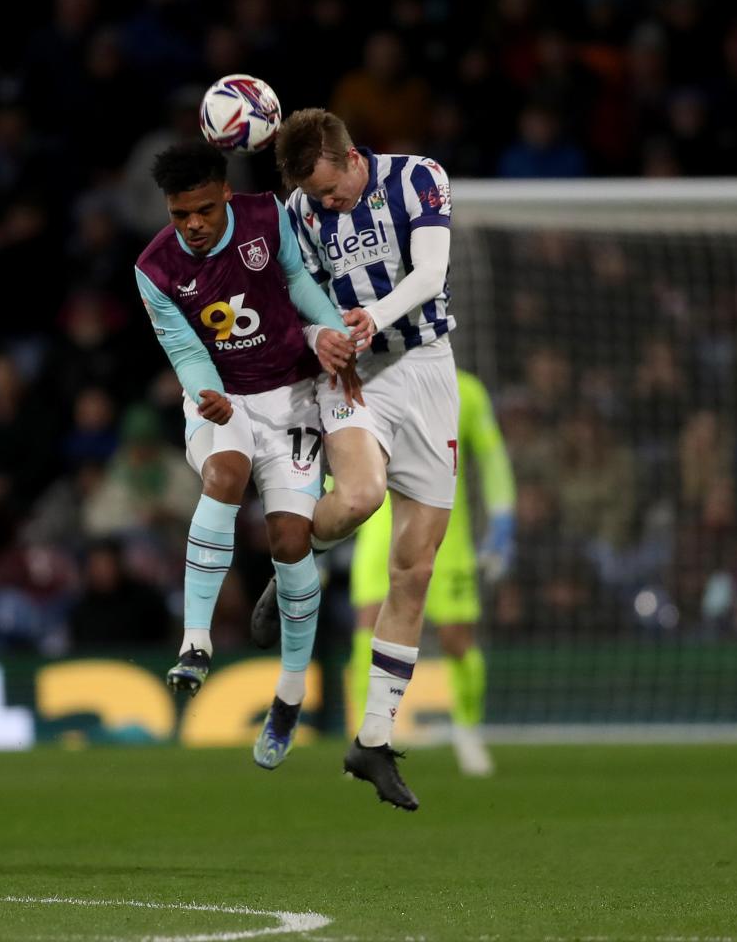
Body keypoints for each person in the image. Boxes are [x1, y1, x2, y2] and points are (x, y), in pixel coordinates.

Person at [134, 140, 364, 769]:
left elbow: (299, 281)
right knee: (225, 472)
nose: (193, 224)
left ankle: (289, 697)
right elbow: (184, 348)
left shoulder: (267, 217)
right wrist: (206, 393)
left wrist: (331, 332)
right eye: (180, 215)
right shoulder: (154, 268)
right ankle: (196, 644)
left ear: (226, 194)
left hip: (291, 397)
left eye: (204, 210)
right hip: (221, 397)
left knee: (289, 540)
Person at [257, 108, 461, 810]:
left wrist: (374, 314)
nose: (326, 204)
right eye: (313, 196)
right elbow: (293, 301)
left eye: (330, 190)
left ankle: (372, 741)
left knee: (416, 568)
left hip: (427, 368)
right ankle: (292, 559)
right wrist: (322, 336)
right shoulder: (299, 211)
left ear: (351, 159)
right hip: (354, 374)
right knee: (361, 496)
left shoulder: (418, 178)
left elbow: (431, 271)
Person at [348, 369, 515, 776]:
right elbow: (346, 450)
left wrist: (502, 521)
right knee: (369, 628)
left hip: (446, 536)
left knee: (457, 639)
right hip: (380, 530)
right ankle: (369, 737)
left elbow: (492, 458)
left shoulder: (468, 391)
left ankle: (468, 731)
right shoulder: (369, 380)